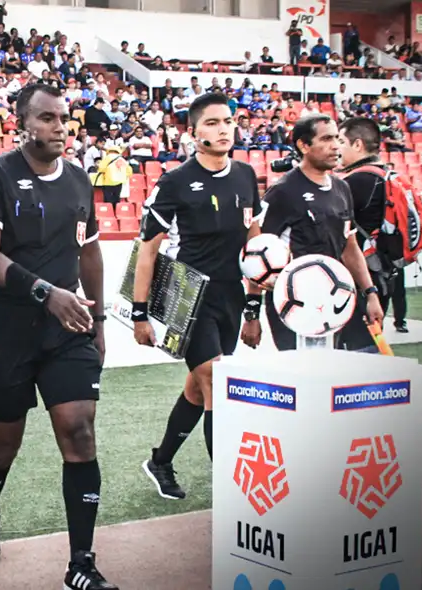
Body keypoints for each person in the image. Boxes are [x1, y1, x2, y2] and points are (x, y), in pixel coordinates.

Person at [0, 83, 115, 590]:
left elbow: (90, 252)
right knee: (3, 446)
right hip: (7, 328)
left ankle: (82, 562)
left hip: (67, 326)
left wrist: (96, 322)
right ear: (22, 124)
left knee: (79, 432)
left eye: (63, 118)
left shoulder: (77, 179)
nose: (60, 127)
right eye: (47, 119)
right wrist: (46, 292)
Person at [132, 92, 262, 500]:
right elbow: (147, 251)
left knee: (197, 387)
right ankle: (232, 492)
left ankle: (161, 459)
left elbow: (256, 247)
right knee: (215, 380)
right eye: (212, 122)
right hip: (190, 296)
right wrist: (139, 314)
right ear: (193, 132)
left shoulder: (245, 176)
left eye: (228, 120)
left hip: (231, 296)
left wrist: (254, 306)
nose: (223, 128)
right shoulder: (174, 182)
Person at [247, 114, 384, 351]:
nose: (335, 146)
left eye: (338, 139)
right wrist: (251, 315)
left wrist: (370, 293)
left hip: (333, 299)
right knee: (299, 378)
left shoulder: (342, 188)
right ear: (303, 145)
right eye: (327, 139)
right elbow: (258, 256)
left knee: (328, 375)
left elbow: (349, 247)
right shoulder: (282, 192)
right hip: (294, 303)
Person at [338, 117, 409, 341]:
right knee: (369, 341)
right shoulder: (386, 175)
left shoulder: (356, 181)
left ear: (357, 145)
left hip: (360, 276)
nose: (336, 147)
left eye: (341, 141)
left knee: (354, 349)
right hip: (382, 271)